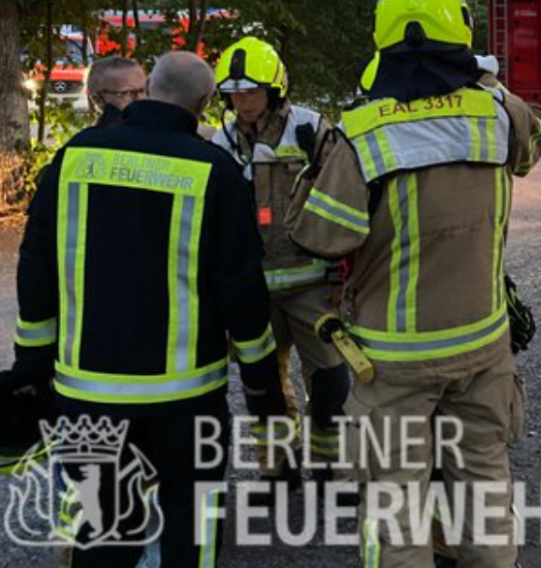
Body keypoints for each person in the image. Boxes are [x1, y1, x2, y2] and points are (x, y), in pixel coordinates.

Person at [289, 0, 541, 567]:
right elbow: (539, 136)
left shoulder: (359, 133)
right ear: (459, 30)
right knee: (485, 487)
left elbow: (320, 236)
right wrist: (491, 84)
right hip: (484, 345)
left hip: (392, 360)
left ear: (382, 34)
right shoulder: (496, 113)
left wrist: (317, 162)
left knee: (395, 503)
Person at [13, 51, 286, 566]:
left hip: (87, 392)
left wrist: (31, 366)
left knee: (103, 524)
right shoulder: (215, 169)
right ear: (204, 105)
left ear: (150, 89)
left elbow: (35, 270)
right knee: (191, 517)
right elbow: (242, 288)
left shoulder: (73, 158)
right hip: (187, 400)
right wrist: (261, 383)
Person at [211, 36, 349, 483]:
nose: (241, 101)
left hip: (312, 288)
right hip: (253, 291)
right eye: (232, 92)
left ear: (274, 88)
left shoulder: (311, 131)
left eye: (250, 91)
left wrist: (342, 271)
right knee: (263, 388)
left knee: (329, 380)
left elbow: (344, 201)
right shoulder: (221, 141)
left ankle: (330, 464)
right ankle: (280, 465)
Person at [84, 56, 146, 127]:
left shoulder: (156, 131)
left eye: (143, 91)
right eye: (128, 93)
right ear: (97, 99)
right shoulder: (91, 137)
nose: (140, 99)